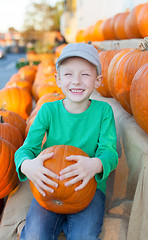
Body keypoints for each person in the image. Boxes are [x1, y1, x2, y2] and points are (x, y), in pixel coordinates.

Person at [14, 42, 118, 240]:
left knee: (84, 235)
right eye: (68, 74)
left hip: (87, 185)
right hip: (49, 185)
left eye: (85, 75)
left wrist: (95, 164)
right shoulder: (48, 110)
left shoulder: (104, 112)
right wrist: (27, 165)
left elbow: (109, 151)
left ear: (98, 80)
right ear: (58, 79)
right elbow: (26, 149)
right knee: (34, 235)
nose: (76, 81)